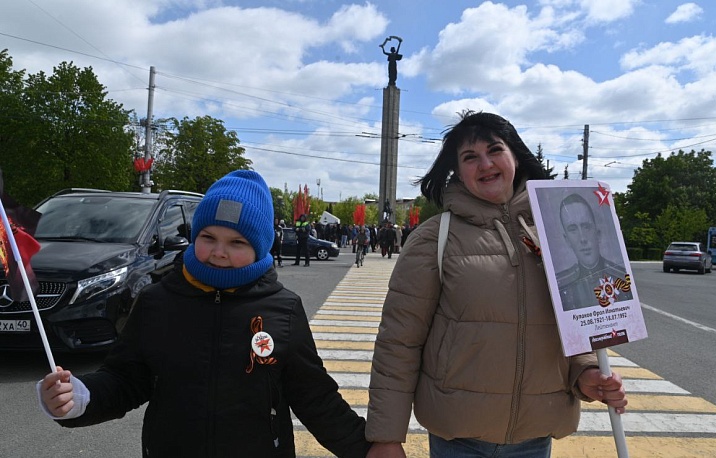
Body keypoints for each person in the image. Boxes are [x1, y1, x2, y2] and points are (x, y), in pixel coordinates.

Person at [37, 170, 371, 457]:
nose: (219, 253)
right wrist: (81, 398)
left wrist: (367, 449)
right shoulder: (158, 301)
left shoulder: (283, 308)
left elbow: (315, 398)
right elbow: (126, 379)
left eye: (237, 242)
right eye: (208, 237)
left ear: (259, 247)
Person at [365, 111, 627, 458]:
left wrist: (585, 372)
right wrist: (386, 437)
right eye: (470, 157)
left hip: (536, 438)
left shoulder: (555, 232)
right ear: (457, 171)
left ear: (514, 156)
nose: (485, 164)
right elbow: (398, 343)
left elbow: (576, 322)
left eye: (495, 150)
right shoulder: (435, 238)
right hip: (459, 441)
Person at [555, 193, 633, 311]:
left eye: (586, 226)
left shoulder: (622, 277)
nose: (582, 239)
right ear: (567, 240)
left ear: (597, 233)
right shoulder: (559, 284)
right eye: (573, 229)